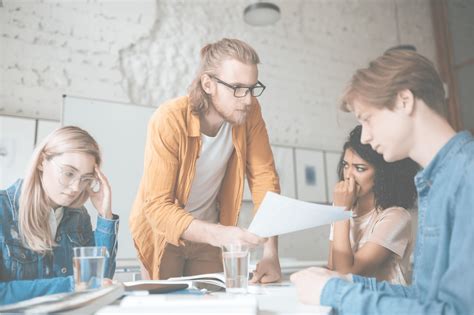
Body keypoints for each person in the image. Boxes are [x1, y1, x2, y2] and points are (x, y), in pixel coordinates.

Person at [291, 49, 474, 314]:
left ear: (404, 101)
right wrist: (343, 282)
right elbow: (426, 299)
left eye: (367, 119)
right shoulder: (438, 181)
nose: (364, 137)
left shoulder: (466, 176)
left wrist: (333, 292)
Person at [129, 38, 281, 282]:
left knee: (211, 304)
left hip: (211, 231)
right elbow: (157, 207)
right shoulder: (169, 119)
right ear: (208, 84)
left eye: (252, 88)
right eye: (238, 88)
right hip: (165, 233)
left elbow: (265, 179)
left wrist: (271, 253)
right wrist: (220, 235)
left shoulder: (250, 112)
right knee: (166, 306)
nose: (248, 99)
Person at [0, 126, 119, 305]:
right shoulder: (3, 210)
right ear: (42, 161)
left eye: (85, 178)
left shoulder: (78, 216)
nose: (76, 187)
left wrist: (105, 215)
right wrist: (72, 286)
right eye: (69, 173)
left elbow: (99, 285)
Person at [328, 125, 418, 285]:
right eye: (345, 165)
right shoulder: (343, 208)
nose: (348, 176)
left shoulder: (396, 217)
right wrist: (340, 211)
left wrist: (340, 212)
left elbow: (346, 276)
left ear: (383, 174)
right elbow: (332, 270)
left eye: (360, 168)